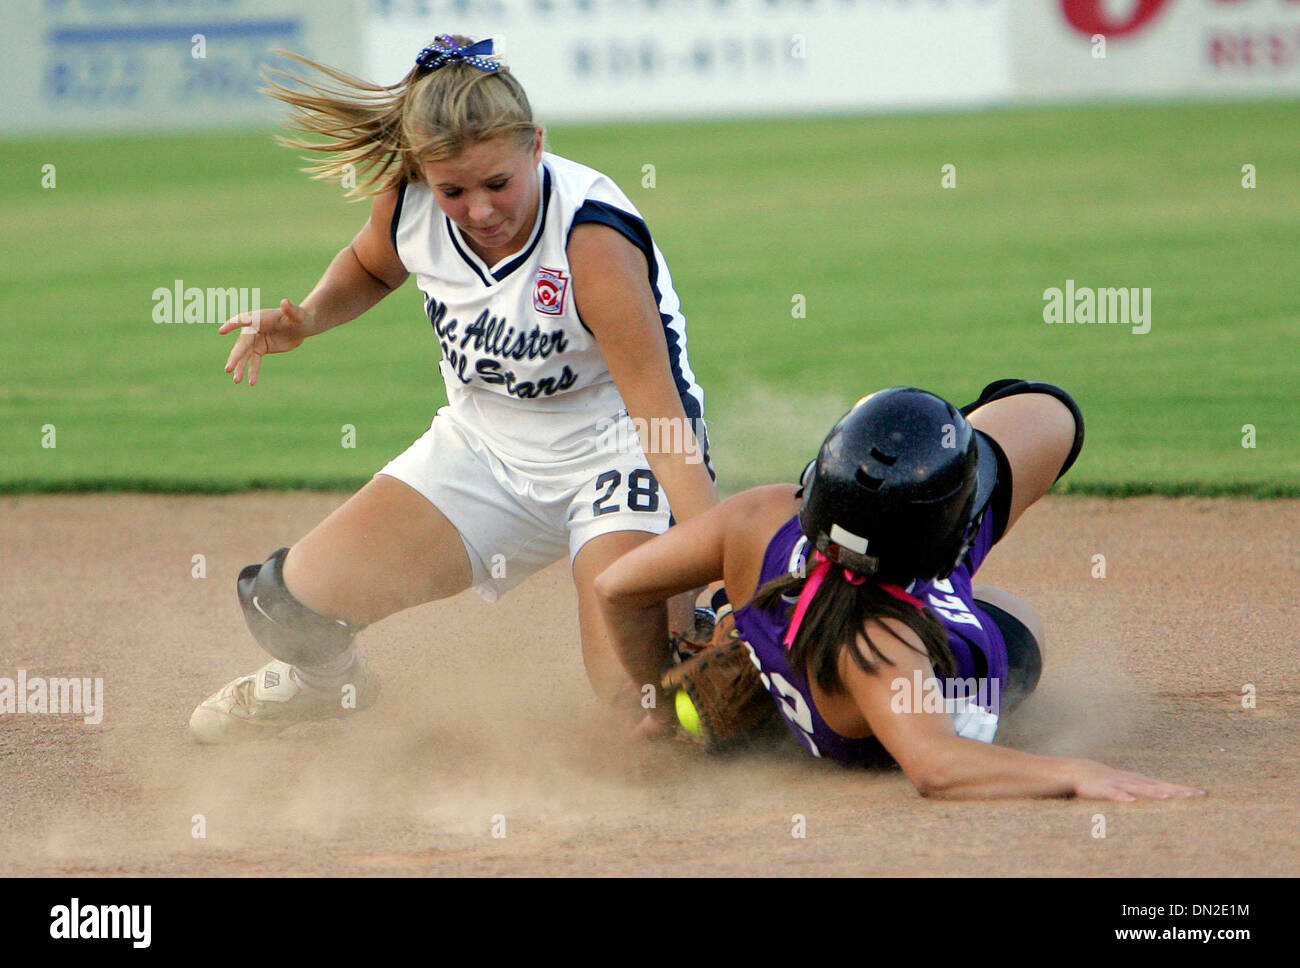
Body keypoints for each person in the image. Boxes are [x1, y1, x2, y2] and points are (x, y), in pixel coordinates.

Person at [189, 35, 716, 742]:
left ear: (535, 144)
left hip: (619, 457)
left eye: (497, 183)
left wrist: (714, 564)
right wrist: (309, 316)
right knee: (284, 604)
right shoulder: (410, 204)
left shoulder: (591, 240)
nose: (478, 210)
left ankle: (696, 642)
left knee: (642, 711)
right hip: (484, 452)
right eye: (454, 190)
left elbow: (663, 421)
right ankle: (326, 682)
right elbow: (373, 266)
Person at [595, 380, 1206, 801]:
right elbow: (938, 766)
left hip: (839, 588)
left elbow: (617, 587)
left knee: (1046, 413)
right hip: (930, 638)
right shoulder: (883, 647)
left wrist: (653, 697)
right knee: (1022, 619)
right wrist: (1076, 773)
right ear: (945, 546)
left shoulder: (759, 515)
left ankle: (740, 629)